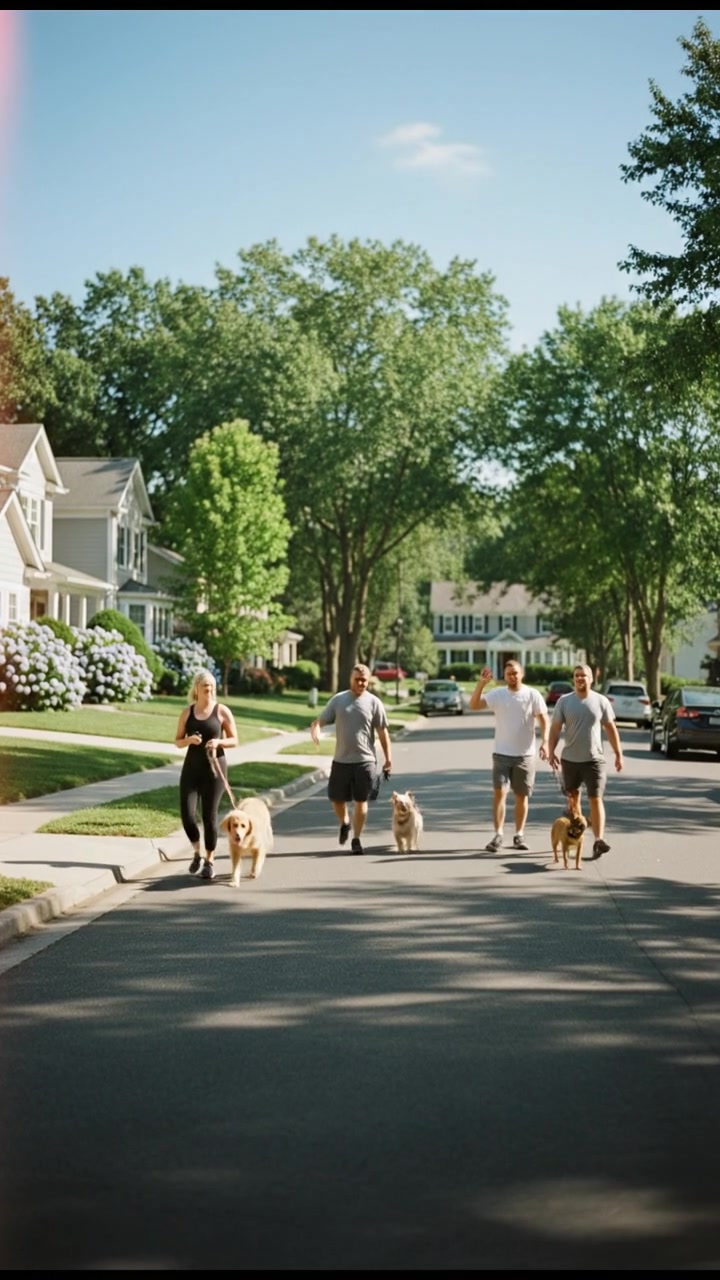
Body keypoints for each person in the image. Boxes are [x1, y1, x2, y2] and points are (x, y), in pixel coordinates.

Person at [310, 662, 392, 855]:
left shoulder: (374, 703)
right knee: (336, 799)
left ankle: (356, 839)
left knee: (361, 801)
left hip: (366, 761)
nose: (361, 683)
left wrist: (388, 759)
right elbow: (320, 720)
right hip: (341, 760)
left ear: (369, 680)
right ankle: (345, 822)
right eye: (358, 679)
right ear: (351, 679)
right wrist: (316, 729)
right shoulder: (338, 700)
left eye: (365, 680)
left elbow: (383, 733)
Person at [469, 659, 549, 852]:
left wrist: (545, 742)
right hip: (501, 754)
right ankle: (498, 835)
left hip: (525, 756)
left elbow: (543, 718)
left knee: (521, 796)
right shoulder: (498, 694)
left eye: (515, 673)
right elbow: (474, 705)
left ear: (522, 674)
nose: (512, 676)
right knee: (500, 794)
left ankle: (519, 835)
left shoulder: (532, 695)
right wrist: (481, 684)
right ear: (504, 677)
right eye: (508, 674)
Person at [546, 663, 623, 860]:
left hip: (594, 760)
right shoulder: (564, 702)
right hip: (570, 760)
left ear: (591, 678)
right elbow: (555, 728)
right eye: (577, 675)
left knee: (595, 798)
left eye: (584, 675)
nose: (580, 678)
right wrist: (551, 750)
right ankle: (577, 835)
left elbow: (610, 728)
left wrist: (618, 753)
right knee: (573, 800)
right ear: (574, 679)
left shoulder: (601, 701)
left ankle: (598, 840)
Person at [174, 669, 239, 880]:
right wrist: (189, 741)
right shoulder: (187, 713)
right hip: (191, 769)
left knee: (209, 816)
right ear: (197, 689)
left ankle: (210, 861)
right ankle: (196, 852)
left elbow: (235, 739)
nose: (209, 690)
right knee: (187, 815)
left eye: (211, 687)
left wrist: (219, 742)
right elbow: (177, 741)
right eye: (205, 687)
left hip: (215, 770)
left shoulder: (222, 711)